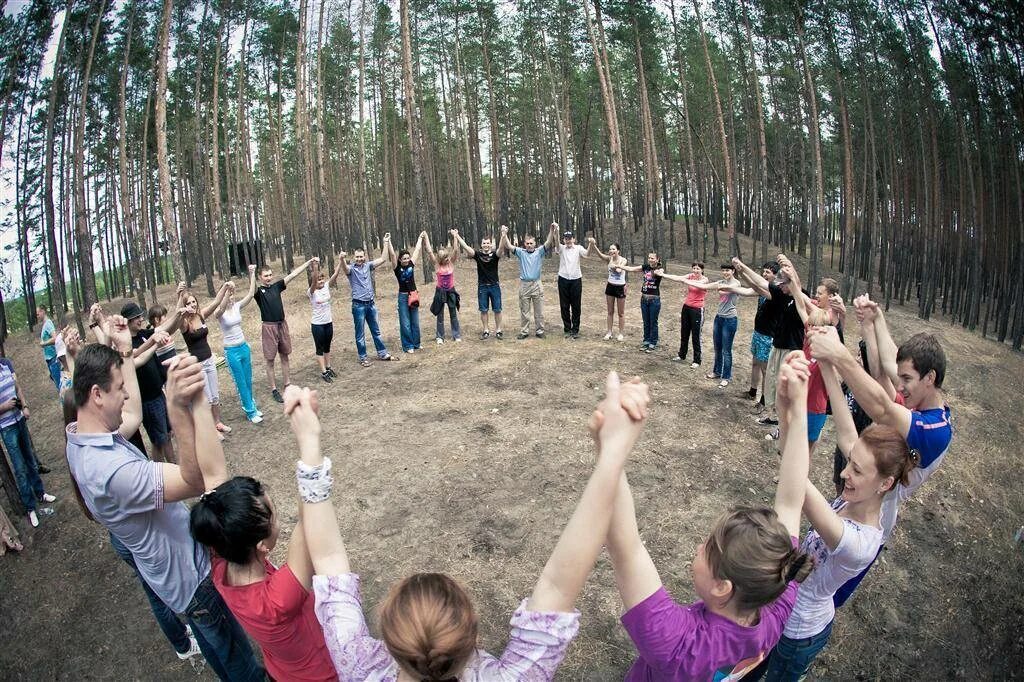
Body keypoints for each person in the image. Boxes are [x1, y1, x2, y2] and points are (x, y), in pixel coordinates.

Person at [293, 371, 650, 680]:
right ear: (472, 634)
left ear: (389, 639)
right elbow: (557, 584)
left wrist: (309, 441)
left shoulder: (360, 667)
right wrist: (610, 452)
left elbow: (327, 557)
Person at [66, 332, 264, 680]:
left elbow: (132, 412)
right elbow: (196, 480)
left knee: (217, 650)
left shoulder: (81, 434)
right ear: (96, 394)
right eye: (118, 387)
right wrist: (176, 407)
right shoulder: (113, 473)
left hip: (174, 580)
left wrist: (125, 350)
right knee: (240, 661)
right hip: (192, 577)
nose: (125, 392)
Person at [606, 351, 814, 681]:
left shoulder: (679, 646)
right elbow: (791, 501)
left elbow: (625, 548)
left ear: (722, 587)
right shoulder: (773, 601)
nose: (700, 544)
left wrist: (610, 448)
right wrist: (798, 407)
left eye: (708, 548)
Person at [755, 357, 918, 681]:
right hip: (783, 613)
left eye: (857, 470)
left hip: (799, 634)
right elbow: (837, 431)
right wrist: (790, 395)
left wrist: (796, 406)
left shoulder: (859, 542)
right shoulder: (855, 497)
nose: (845, 473)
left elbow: (796, 482)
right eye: (849, 462)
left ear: (885, 484)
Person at [808, 305, 952, 608]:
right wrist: (876, 319)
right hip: (859, 497)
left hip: (875, 515)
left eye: (907, 379)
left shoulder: (934, 430)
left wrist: (837, 355)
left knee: (823, 594)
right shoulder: (923, 404)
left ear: (930, 378)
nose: (900, 385)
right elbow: (888, 363)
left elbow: (882, 408)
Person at [188, 392, 337, 680]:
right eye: (274, 515)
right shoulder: (279, 599)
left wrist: (198, 403)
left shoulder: (222, 558)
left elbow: (212, 472)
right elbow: (310, 515)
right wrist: (309, 439)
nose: (278, 518)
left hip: (281, 672)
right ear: (261, 545)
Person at [731, 255, 807, 430]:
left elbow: (765, 284)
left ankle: (784, 425)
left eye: (784, 283)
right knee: (774, 382)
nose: (780, 286)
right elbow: (758, 283)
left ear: (792, 284)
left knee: (785, 386)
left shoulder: (801, 297)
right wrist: (742, 269)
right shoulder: (781, 295)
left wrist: (789, 265)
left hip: (791, 349)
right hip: (777, 346)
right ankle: (774, 416)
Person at [0, 355, 56, 527]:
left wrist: (24, 406)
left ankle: (40, 493)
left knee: (31, 461)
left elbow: (17, 388)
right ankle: (30, 507)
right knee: (20, 468)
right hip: (7, 427)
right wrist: (4, 407)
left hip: (20, 420)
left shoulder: (6, 363)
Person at [254, 258, 316, 403]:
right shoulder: (258, 292)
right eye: (265, 276)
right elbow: (251, 291)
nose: (269, 278)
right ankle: (274, 389)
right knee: (270, 359)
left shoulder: (276, 286)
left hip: (282, 324)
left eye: (270, 275)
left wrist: (307, 264)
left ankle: (287, 384)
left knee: (285, 355)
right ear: (260, 277)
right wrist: (251, 274)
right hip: (269, 327)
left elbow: (293, 275)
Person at [213, 268, 263, 424]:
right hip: (231, 351)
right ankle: (250, 411)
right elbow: (220, 308)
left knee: (248, 380)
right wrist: (227, 291)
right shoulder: (219, 312)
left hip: (243, 347)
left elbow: (250, 294)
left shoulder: (236, 307)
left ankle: (252, 406)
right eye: (229, 296)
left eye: (233, 295)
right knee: (240, 382)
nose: (231, 298)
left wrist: (252, 273)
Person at [180, 287, 232, 436]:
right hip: (198, 365)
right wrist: (180, 301)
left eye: (194, 301)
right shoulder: (183, 323)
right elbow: (178, 315)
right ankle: (210, 429)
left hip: (210, 360)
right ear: (185, 305)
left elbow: (216, 302)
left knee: (215, 395)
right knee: (207, 398)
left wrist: (225, 288)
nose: (192, 305)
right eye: (189, 303)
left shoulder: (201, 315)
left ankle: (218, 423)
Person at [338, 239, 396, 367]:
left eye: (361, 256)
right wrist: (341, 258)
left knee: (376, 331)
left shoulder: (368, 266)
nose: (359, 259)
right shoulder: (351, 270)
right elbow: (345, 268)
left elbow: (383, 259)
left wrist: (386, 242)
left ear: (364, 256)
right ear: (354, 257)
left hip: (370, 304)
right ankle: (363, 357)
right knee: (360, 334)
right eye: (357, 257)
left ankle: (382, 353)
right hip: (358, 305)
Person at [498, 224, 556, 339]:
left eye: (531, 243)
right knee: (525, 310)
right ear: (525, 244)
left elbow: (549, 242)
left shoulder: (539, 252)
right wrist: (503, 234)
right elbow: (508, 245)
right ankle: (524, 331)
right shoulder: (521, 252)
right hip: (524, 285)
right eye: (527, 243)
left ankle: (540, 331)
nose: (529, 245)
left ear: (535, 244)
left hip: (536, 284)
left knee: (539, 311)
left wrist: (551, 230)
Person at [452, 229, 504, 339]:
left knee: (497, 309)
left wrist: (503, 235)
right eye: (484, 243)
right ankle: (486, 330)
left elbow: (501, 248)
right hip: (482, 286)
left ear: (491, 244)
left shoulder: (495, 255)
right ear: (481, 244)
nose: (486, 245)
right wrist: (457, 236)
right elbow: (466, 247)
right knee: (483, 309)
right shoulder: (478, 255)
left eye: (488, 243)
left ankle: (498, 330)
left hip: (495, 286)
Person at [589, 239, 641, 341]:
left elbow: (618, 270)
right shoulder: (609, 258)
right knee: (610, 311)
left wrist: (613, 263)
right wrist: (593, 245)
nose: (611, 251)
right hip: (610, 287)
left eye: (613, 249)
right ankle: (609, 332)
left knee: (621, 312)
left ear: (618, 251)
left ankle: (621, 333)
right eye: (610, 249)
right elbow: (600, 255)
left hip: (620, 287)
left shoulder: (623, 260)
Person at [660, 262, 708, 367]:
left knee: (696, 335)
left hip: (697, 310)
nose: (695, 271)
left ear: (702, 270)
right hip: (686, 307)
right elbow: (677, 277)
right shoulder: (690, 276)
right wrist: (663, 275)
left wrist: (685, 280)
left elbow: (698, 285)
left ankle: (697, 360)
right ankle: (681, 355)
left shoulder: (705, 280)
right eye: (694, 268)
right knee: (684, 333)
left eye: (698, 269)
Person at [746, 263, 780, 400]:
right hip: (758, 332)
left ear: (775, 275)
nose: (764, 274)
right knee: (755, 363)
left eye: (768, 272)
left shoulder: (777, 291)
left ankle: (764, 400)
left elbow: (756, 286)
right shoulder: (762, 289)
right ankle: (752, 392)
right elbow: (749, 290)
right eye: (763, 272)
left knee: (766, 370)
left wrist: (743, 270)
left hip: (768, 336)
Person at [385, 233, 425, 353]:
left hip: (413, 295)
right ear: (400, 260)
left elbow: (417, 250)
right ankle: (408, 346)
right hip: (403, 297)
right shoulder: (397, 268)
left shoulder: (411, 264)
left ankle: (417, 344)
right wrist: (388, 241)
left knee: (415, 322)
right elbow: (392, 254)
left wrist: (420, 238)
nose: (407, 260)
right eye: (404, 259)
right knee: (405, 323)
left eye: (408, 258)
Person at [308, 255, 345, 382]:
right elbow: (313, 280)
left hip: (328, 322)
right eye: (319, 280)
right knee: (320, 348)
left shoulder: (326, 287)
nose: (321, 282)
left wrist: (341, 261)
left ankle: (328, 367)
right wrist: (315, 266)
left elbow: (335, 275)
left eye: (322, 279)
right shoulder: (311, 292)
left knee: (327, 346)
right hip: (317, 324)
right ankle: (323, 372)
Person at [423, 230, 462, 344]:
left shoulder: (451, 263)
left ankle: (456, 335)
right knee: (440, 315)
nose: (447, 259)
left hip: (450, 291)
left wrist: (455, 236)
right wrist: (426, 237)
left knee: (453, 314)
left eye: (447, 257)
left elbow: (455, 250)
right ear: (440, 259)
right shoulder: (437, 265)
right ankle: (440, 336)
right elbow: (430, 251)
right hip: (440, 292)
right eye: (445, 258)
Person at [554, 225, 589, 338]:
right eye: (566, 238)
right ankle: (567, 328)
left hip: (576, 280)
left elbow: (587, 254)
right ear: (564, 240)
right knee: (564, 305)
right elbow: (556, 242)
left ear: (573, 239)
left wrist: (591, 244)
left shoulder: (578, 248)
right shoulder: (561, 248)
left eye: (570, 238)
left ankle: (575, 329)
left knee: (576, 305)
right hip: (563, 279)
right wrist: (557, 231)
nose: (568, 240)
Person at [37, 305, 62, 391]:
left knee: (60, 384)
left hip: (53, 358)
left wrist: (44, 343)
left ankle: (66, 401)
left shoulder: (48, 323)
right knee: (56, 382)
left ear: (43, 311)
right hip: (49, 359)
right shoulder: (45, 324)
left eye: (38, 314)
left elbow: (55, 338)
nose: (37, 316)